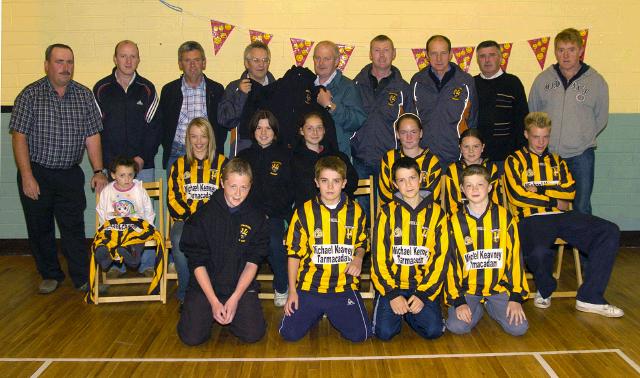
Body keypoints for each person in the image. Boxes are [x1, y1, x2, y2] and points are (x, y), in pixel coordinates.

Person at [504, 112, 623, 317]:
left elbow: (570, 193)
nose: (541, 142)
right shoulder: (514, 160)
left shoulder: (557, 161)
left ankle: (590, 297)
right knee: (539, 252)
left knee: (609, 231)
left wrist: (541, 193)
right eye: (536, 136)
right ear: (526, 134)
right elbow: (518, 197)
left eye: (545, 136)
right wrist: (554, 198)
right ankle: (545, 287)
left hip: (561, 216)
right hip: (531, 219)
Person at [10, 43, 108, 294]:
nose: (66, 68)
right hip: (37, 172)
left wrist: (99, 171)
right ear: (46, 65)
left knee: (73, 227)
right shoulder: (29, 95)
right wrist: (27, 175)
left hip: (69, 174)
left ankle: (82, 278)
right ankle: (50, 274)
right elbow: (19, 137)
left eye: (70, 62)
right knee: (39, 227)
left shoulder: (84, 95)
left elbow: (92, 136)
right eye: (60, 62)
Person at [280, 156, 372, 342]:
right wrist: (292, 291)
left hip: (343, 287)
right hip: (310, 287)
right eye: (324, 181)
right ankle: (314, 311)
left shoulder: (356, 211)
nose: (330, 187)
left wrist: (358, 258)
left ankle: (332, 311)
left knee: (360, 336)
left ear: (344, 183)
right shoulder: (303, 212)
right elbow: (293, 255)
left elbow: (362, 243)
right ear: (316, 183)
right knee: (289, 334)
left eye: (336, 181)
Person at [177, 158, 269, 345]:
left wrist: (234, 298)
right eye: (233, 186)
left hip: (238, 288)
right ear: (222, 183)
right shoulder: (202, 216)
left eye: (244, 187)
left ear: (251, 186)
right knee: (191, 338)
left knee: (253, 334)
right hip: (206, 288)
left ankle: (231, 312)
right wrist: (214, 301)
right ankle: (199, 310)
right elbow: (197, 262)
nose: (238, 193)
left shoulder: (257, 218)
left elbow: (253, 262)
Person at [529, 28, 609, 215]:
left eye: (571, 49)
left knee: (581, 206)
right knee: (549, 206)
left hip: (581, 155)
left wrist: (581, 137)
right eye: (560, 49)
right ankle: (550, 245)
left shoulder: (596, 81)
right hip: (548, 156)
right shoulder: (542, 80)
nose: (565, 55)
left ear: (581, 51)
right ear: (555, 52)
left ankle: (583, 245)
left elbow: (601, 117)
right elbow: (533, 112)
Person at [445, 164, 529, 336]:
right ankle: (476, 308)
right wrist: (459, 300)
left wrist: (515, 297)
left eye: (480, 184)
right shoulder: (454, 221)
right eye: (469, 185)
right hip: (468, 289)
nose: (474, 189)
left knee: (519, 328)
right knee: (457, 327)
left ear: (490, 187)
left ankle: (492, 305)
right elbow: (450, 263)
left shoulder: (505, 217)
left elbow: (515, 258)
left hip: (499, 287)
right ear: (462, 189)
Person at [371, 157, 448, 341]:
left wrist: (423, 294)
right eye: (402, 180)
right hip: (393, 285)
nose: (408, 184)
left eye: (412, 178)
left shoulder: (437, 213)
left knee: (434, 331)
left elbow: (441, 259)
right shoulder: (387, 213)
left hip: (421, 286)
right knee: (384, 333)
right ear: (394, 184)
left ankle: (410, 313)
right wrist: (392, 294)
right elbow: (378, 258)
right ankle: (397, 308)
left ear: (420, 178)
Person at [168, 117, 227, 307]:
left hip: (215, 219)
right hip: (186, 219)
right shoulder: (178, 165)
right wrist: (190, 217)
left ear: (210, 138)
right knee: (178, 238)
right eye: (194, 136)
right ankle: (186, 293)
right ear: (188, 139)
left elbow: (228, 196)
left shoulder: (222, 163)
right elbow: (173, 197)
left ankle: (217, 291)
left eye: (203, 136)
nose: (199, 141)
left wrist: (211, 217)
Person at [238, 110, 293, 307]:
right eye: (259, 128)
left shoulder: (285, 155)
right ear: (253, 131)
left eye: (268, 128)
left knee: (274, 242)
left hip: (275, 214)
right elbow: (237, 189)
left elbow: (288, 191)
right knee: (238, 240)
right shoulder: (243, 157)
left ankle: (281, 286)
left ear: (275, 132)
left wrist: (269, 212)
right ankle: (245, 286)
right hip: (247, 214)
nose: (263, 132)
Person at [352, 35, 411, 217]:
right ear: (370, 54)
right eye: (377, 50)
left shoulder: (403, 88)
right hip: (360, 159)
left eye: (386, 50)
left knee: (390, 212)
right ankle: (364, 246)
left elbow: (410, 124)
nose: (382, 55)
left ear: (394, 54)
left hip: (390, 161)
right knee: (362, 213)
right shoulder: (355, 85)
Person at [93, 40, 160, 183]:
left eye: (133, 56)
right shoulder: (101, 89)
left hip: (142, 167)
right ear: (115, 59)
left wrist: (142, 158)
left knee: (143, 206)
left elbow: (154, 129)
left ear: (138, 60)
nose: (128, 61)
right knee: (112, 206)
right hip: (111, 168)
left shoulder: (148, 89)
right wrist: (107, 163)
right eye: (123, 56)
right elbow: (95, 131)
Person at [407, 34, 478, 166]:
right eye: (433, 53)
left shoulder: (465, 82)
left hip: (456, 156)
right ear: (427, 55)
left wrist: (469, 153)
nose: (438, 58)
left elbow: (472, 122)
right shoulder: (417, 81)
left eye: (443, 53)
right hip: (424, 157)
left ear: (451, 54)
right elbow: (411, 121)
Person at [160, 41, 225, 171]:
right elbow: (162, 124)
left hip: (209, 153)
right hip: (177, 152)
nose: (192, 65)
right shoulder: (169, 90)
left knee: (211, 192)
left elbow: (221, 125)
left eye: (196, 60)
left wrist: (214, 147)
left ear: (204, 63)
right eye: (187, 60)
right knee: (175, 191)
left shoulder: (216, 90)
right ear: (180, 64)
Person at [474, 40, 528, 173]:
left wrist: (522, 155)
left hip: (507, 158)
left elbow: (522, 120)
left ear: (500, 58)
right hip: (477, 158)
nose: (487, 60)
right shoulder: (471, 84)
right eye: (482, 56)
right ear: (477, 60)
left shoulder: (513, 83)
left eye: (492, 55)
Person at [94, 156, 155, 273]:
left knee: (138, 237)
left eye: (130, 175)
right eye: (122, 175)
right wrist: (104, 226)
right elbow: (101, 211)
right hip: (114, 225)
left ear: (134, 174)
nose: (127, 179)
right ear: (113, 175)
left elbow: (148, 210)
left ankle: (133, 257)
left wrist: (149, 226)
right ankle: (104, 255)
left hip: (135, 225)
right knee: (106, 238)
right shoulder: (107, 191)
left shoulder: (139, 190)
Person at [218, 41, 277, 156]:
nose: (261, 64)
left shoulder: (277, 88)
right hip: (243, 148)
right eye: (256, 60)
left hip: (272, 149)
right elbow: (224, 120)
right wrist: (241, 95)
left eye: (265, 60)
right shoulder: (234, 87)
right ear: (246, 63)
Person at [291, 111, 358, 209]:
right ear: (301, 131)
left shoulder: (338, 157)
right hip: (306, 213)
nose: (315, 132)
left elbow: (352, 183)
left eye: (319, 128)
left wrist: (333, 199)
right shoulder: (293, 159)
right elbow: (288, 190)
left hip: (337, 209)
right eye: (310, 128)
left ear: (324, 130)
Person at [312, 41, 367, 159]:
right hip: (310, 156)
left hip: (337, 156)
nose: (321, 63)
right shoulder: (306, 85)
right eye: (317, 58)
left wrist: (330, 106)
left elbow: (357, 121)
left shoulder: (348, 86)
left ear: (337, 62)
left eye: (327, 59)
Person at [379, 113, 441, 205]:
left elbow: (433, 197)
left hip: (424, 215)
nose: (409, 137)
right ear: (397, 134)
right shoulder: (389, 158)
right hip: (395, 213)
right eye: (403, 132)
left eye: (413, 132)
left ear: (421, 133)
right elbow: (384, 194)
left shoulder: (432, 161)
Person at [443, 129, 500, 215]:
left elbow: (496, 201)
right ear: (460, 148)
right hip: (461, 219)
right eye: (466, 146)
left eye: (476, 146)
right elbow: (452, 205)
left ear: (482, 147)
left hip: (489, 217)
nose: (471, 151)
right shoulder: (453, 169)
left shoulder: (491, 168)